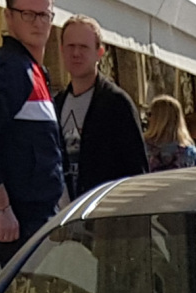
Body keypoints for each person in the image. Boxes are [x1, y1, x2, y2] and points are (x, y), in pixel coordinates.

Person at [0, 0, 62, 268]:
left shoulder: (35, 70)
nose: (38, 22)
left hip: (37, 220)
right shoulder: (10, 67)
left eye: (44, 15)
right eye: (28, 14)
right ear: (8, 17)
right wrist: (1, 206)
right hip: (19, 224)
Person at [55, 16, 143, 196]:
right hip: (63, 216)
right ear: (62, 51)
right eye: (71, 46)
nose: (76, 53)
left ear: (99, 53)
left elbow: (137, 171)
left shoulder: (117, 104)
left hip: (104, 214)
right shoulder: (56, 104)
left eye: (84, 47)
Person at [142, 93, 196, 170]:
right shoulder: (190, 152)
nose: (148, 118)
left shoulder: (142, 147)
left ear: (159, 119)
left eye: (149, 114)